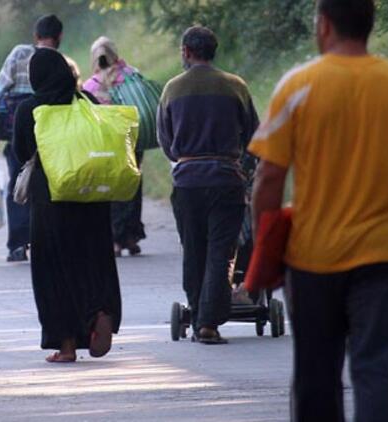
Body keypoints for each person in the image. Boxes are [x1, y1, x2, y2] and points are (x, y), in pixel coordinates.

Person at [249, 0, 388, 420]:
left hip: (314, 257)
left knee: (315, 373)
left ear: (324, 24)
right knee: (379, 370)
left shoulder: (298, 86)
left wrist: (267, 236)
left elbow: (268, 177)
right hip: (385, 253)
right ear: (369, 25)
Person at [13, 48, 121, 363]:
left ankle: (67, 345)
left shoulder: (29, 109)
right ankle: (99, 311)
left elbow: (22, 153)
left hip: (51, 202)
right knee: (92, 263)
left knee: (54, 273)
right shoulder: (89, 103)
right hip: (92, 198)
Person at [157, 26, 259, 344]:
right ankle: (208, 323)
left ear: (186, 51)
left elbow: (166, 141)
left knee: (193, 249)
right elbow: (253, 136)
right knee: (221, 253)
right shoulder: (236, 87)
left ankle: (197, 309)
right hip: (227, 180)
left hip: (187, 182)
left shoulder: (172, 90)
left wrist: (185, 157)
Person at [0, 14, 63, 262]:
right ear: (59, 37)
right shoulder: (60, 60)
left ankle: (18, 244)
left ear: (35, 36)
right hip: (51, 129)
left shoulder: (19, 53)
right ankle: (48, 241)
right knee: (50, 186)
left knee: (19, 182)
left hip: (20, 124)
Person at [83, 37, 146, 257]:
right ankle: (129, 236)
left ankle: (114, 240)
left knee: (108, 191)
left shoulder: (91, 85)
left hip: (104, 146)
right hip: (131, 141)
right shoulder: (130, 76)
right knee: (132, 188)